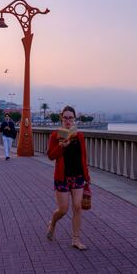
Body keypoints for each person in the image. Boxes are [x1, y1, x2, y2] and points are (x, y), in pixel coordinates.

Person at [46, 105, 91, 251]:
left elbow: (83, 157)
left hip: (77, 176)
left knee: (77, 207)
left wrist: (87, 177)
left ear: (74, 119)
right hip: (62, 177)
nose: (68, 120)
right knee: (63, 210)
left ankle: (76, 239)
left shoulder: (80, 136)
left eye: (70, 117)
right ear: (61, 118)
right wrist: (61, 146)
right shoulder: (55, 135)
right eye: (65, 117)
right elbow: (51, 156)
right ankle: (52, 223)